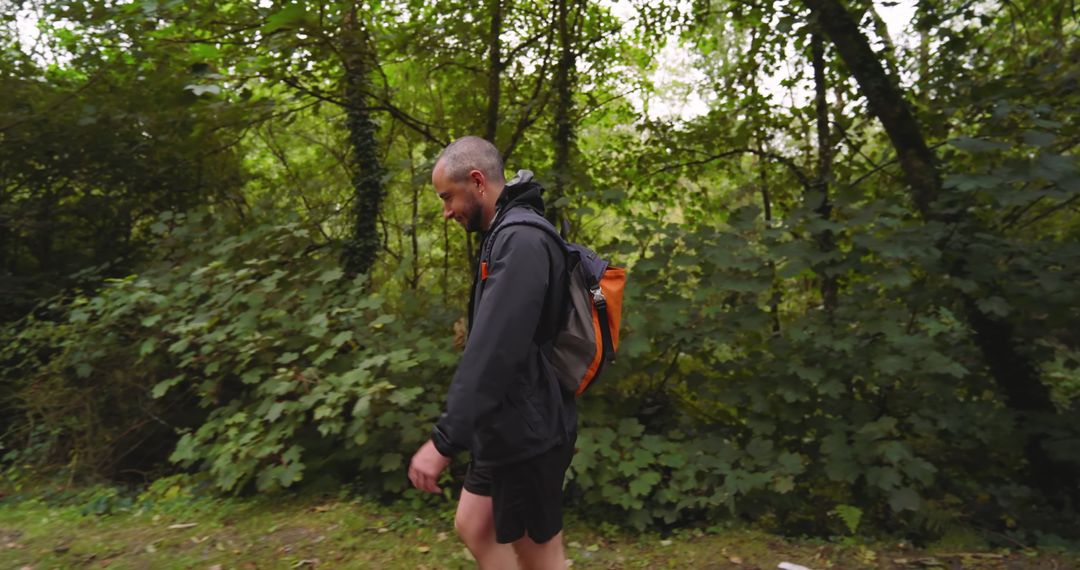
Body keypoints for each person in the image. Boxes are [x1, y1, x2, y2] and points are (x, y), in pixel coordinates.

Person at [408, 136, 577, 570]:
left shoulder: (521, 242)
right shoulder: (505, 233)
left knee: (541, 555)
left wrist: (443, 442)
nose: (446, 211)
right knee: (474, 524)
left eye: (447, 196)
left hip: (529, 431)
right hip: (505, 422)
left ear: (478, 181)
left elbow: (493, 352)